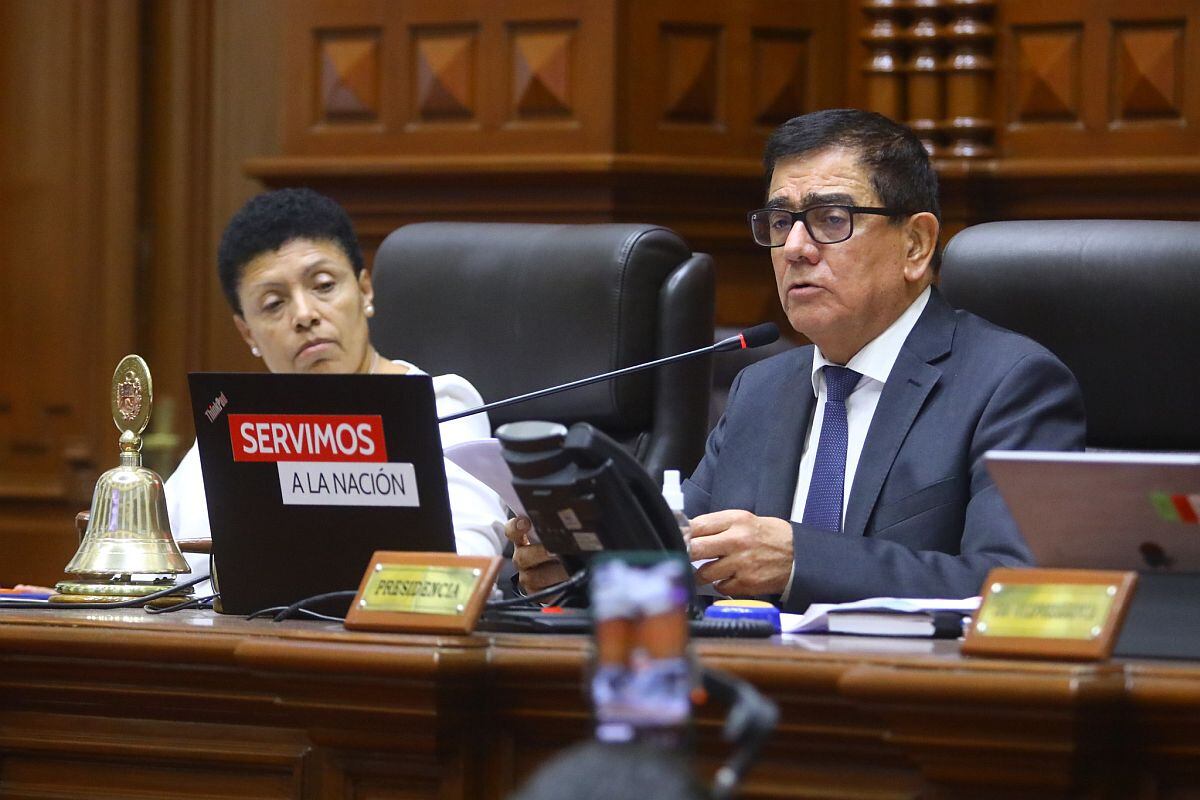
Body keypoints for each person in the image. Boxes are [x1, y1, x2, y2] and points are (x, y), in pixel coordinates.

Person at [508, 109, 1085, 610]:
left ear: (916, 245)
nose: (794, 248)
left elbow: (1016, 587)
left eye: (832, 219)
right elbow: (687, 563)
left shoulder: (1010, 384)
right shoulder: (761, 387)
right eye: (781, 221)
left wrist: (800, 563)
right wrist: (585, 573)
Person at [166, 188, 507, 573]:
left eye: (324, 285)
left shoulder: (439, 405)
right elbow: (172, 571)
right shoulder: (234, 430)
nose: (305, 314)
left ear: (364, 291)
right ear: (248, 334)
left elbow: (466, 565)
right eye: (274, 304)